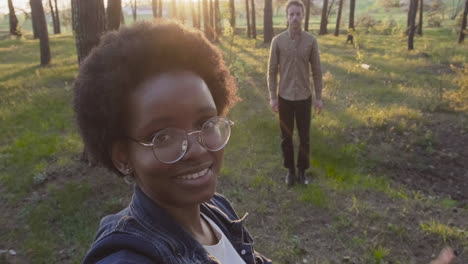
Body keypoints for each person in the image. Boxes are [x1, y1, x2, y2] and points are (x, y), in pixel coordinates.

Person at [74, 20, 271, 264]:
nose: (198, 150)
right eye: (164, 137)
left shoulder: (214, 208)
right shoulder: (126, 258)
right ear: (123, 157)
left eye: (205, 123)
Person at [267, 0, 324, 186]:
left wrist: (319, 98)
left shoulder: (311, 41)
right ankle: (290, 171)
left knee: (305, 138)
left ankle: (302, 171)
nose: (295, 18)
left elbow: (316, 71)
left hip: (304, 98)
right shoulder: (278, 41)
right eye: (291, 14)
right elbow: (272, 71)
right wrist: (273, 97)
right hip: (284, 97)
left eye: (298, 14)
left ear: (303, 16)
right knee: (286, 138)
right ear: (286, 17)